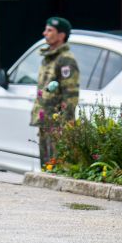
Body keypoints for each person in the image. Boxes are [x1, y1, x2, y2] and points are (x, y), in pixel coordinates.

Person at [31, 16, 80, 168]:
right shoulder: (48, 58)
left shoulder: (65, 60)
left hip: (57, 122)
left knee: (57, 164)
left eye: (49, 30)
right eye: (46, 29)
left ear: (61, 35)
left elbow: (70, 94)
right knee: (46, 163)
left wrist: (65, 123)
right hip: (45, 118)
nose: (44, 33)